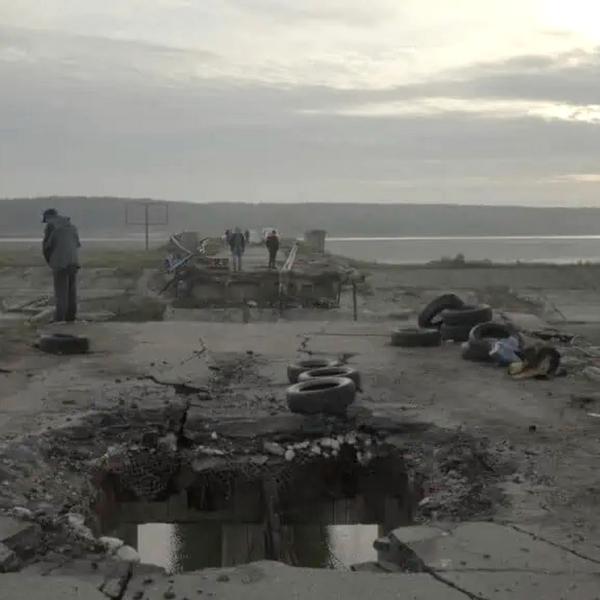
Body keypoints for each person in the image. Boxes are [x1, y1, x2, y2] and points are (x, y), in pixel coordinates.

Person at [42, 209, 81, 322]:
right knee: (71, 292)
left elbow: (46, 247)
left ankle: (59, 319)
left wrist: (51, 262)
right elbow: (77, 244)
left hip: (60, 263)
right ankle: (71, 317)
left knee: (61, 293)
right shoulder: (72, 226)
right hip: (73, 262)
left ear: (48, 217)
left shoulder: (51, 226)